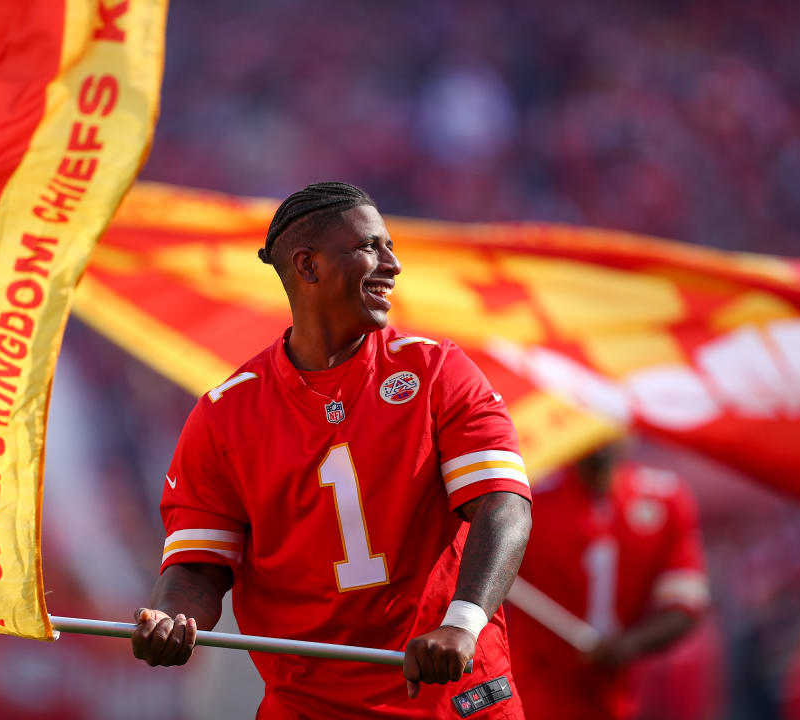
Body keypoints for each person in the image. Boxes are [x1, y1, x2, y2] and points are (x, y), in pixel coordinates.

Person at [130, 182, 534, 719]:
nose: (392, 264)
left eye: (391, 247)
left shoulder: (437, 370)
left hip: (452, 696)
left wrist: (461, 622)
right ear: (308, 265)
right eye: (371, 247)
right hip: (310, 706)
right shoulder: (224, 413)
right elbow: (197, 569)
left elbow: (503, 504)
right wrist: (171, 620)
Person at [506, 440, 709, 720]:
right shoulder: (529, 495)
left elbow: (686, 603)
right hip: (533, 689)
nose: (599, 439)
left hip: (617, 695)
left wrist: (630, 644)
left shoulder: (664, 498)